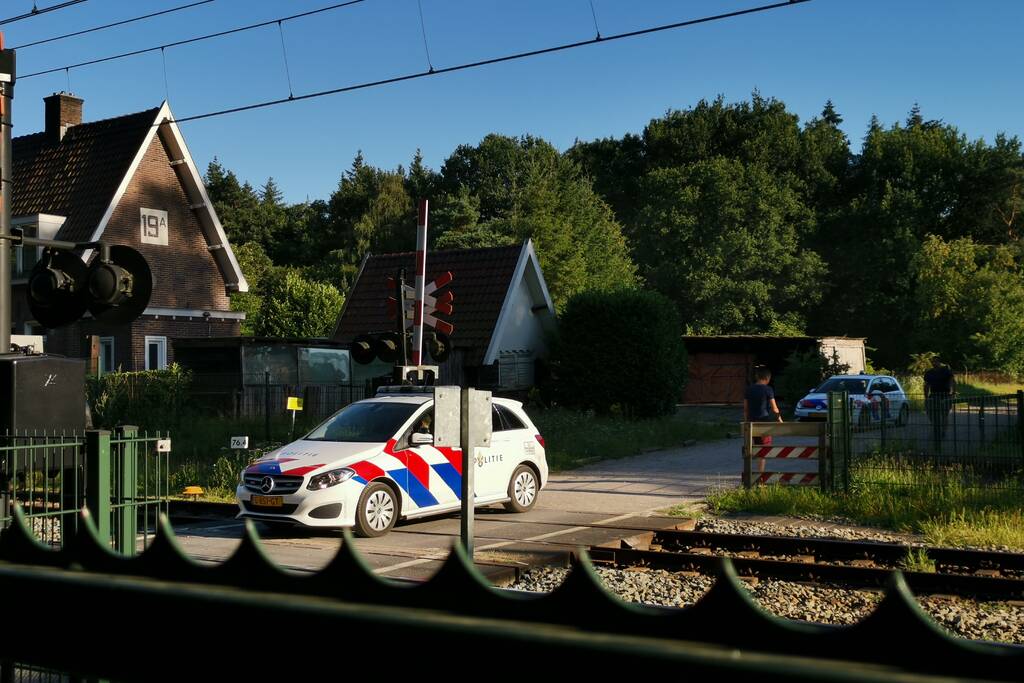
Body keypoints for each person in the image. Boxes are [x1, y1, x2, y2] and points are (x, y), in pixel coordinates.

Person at [744, 366, 783, 473]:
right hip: (764, 423)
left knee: (753, 448)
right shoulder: (768, 389)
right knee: (763, 450)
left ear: (757, 377)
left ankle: (751, 473)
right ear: (767, 378)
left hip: (752, 423)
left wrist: (746, 422)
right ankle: (760, 476)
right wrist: (780, 421)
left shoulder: (749, 389)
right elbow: (775, 408)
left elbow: (745, 409)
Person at [923, 357, 955, 441]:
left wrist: (952, 393)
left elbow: (952, 381)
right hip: (933, 395)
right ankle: (936, 427)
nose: (934, 363)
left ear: (939, 362)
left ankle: (943, 431)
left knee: (944, 415)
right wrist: (926, 397)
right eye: (932, 362)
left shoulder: (946, 371)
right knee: (931, 412)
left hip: (945, 395)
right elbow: (926, 385)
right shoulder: (929, 373)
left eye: (935, 362)